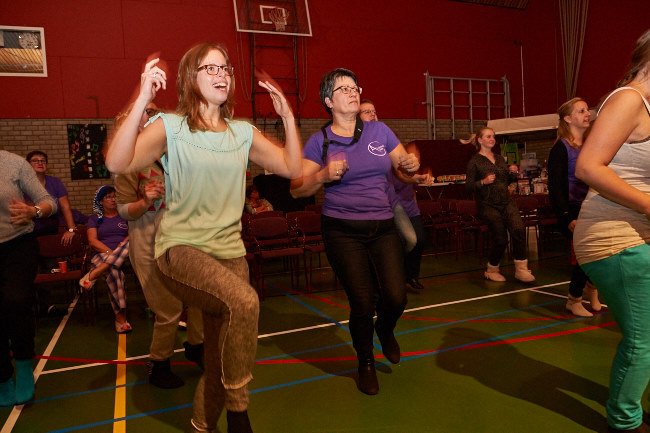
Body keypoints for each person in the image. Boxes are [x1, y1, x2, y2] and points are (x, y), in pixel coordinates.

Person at [105, 42, 302, 433]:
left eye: (225, 68)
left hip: (230, 255)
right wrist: (142, 97)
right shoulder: (171, 126)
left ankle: (200, 425)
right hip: (180, 249)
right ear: (189, 78)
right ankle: (239, 414)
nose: (221, 74)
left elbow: (291, 167)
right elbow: (116, 161)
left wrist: (288, 118)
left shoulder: (242, 133)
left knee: (220, 357)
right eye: (210, 68)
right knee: (245, 301)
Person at [290, 68, 420, 395]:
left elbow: (403, 168)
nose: (352, 92)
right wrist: (323, 176)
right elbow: (297, 189)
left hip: (383, 227)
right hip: (342, 231)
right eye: (343, 89)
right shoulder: (320, 141)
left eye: (354, 87)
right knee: (362, 301)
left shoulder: (379, 131)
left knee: (396, 296)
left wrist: (410, 166)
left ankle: (385, 330)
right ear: (328, 101)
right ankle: (365, 363)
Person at [574, 28, 650, 433]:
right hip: (612, 238)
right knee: (643, 339)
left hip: (638, 233)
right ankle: (624, 422)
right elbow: (588, 167)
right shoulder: (628, 99)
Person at [115, 102, 204, 388]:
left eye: (156, 110)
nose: (153, 114)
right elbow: (123, 210)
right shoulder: (128, 161)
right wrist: (145, 200)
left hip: (182, 238)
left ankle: (197, 346)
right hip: (148, 242)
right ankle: (159, 362)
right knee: (168, 308)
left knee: (199, 296)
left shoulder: (175, 153)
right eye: (146, 110)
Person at [0, 150, 57, 407]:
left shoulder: (13, 163)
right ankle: (2, 376)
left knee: (16, 301)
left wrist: (33, 211)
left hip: (17, 244)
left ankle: (23, 365)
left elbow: (49, 202)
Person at [359, 100, 430, 291]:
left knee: (412, 239)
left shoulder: (383, 140)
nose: (372, 114)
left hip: (391, 202)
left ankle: (403, 275)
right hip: (368, 205)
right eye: (366, 112)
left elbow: (401, 173)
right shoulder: (355, 143)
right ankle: (383, 279)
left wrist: (416, 174)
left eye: (374, 111)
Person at [547, 97, 602, 317]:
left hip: (593, 205)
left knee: (601, 250)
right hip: (572, 209)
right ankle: (574, 298)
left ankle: (592, 288)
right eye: (581, 111)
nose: (587, 114)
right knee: (587, 252)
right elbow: (555, 187)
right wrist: (565, 216)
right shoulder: (560, 149)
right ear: (568, 119)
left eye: (587, 110)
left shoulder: (590, 145)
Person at [464, 127, 536, 283]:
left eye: (493, 136)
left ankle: (521, 270)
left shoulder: (500, 158)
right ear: (480, 140)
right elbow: (468, 187)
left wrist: (512, 173)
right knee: (500, 238)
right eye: (488, 136)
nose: (492, 139)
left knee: (518, 229)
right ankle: (492, 269)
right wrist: (483, 182)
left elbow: (506, 181)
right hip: (487, 204)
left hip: (506, 201)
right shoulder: (474, 162)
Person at [80, 185, 132, 334]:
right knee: (114, 273)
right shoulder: (95, 219)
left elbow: (132, 234)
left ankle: (97, 271)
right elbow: (92, 241)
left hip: (126, 253)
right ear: (101, 201)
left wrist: (123, 244)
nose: (113, 199)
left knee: (132, 240)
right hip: (102, 254)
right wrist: (111, 253)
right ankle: (121, 317)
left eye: (115, 196)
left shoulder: (124, 215)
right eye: (108, 197)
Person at [24, 150, 79, 244]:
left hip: (52, 226)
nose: (40, 163)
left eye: (43, 160)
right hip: (30, 228)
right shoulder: (23, 184)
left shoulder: (55, 182)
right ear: (28, 164)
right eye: (35, 160)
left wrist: (71, 229)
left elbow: (65, 207)